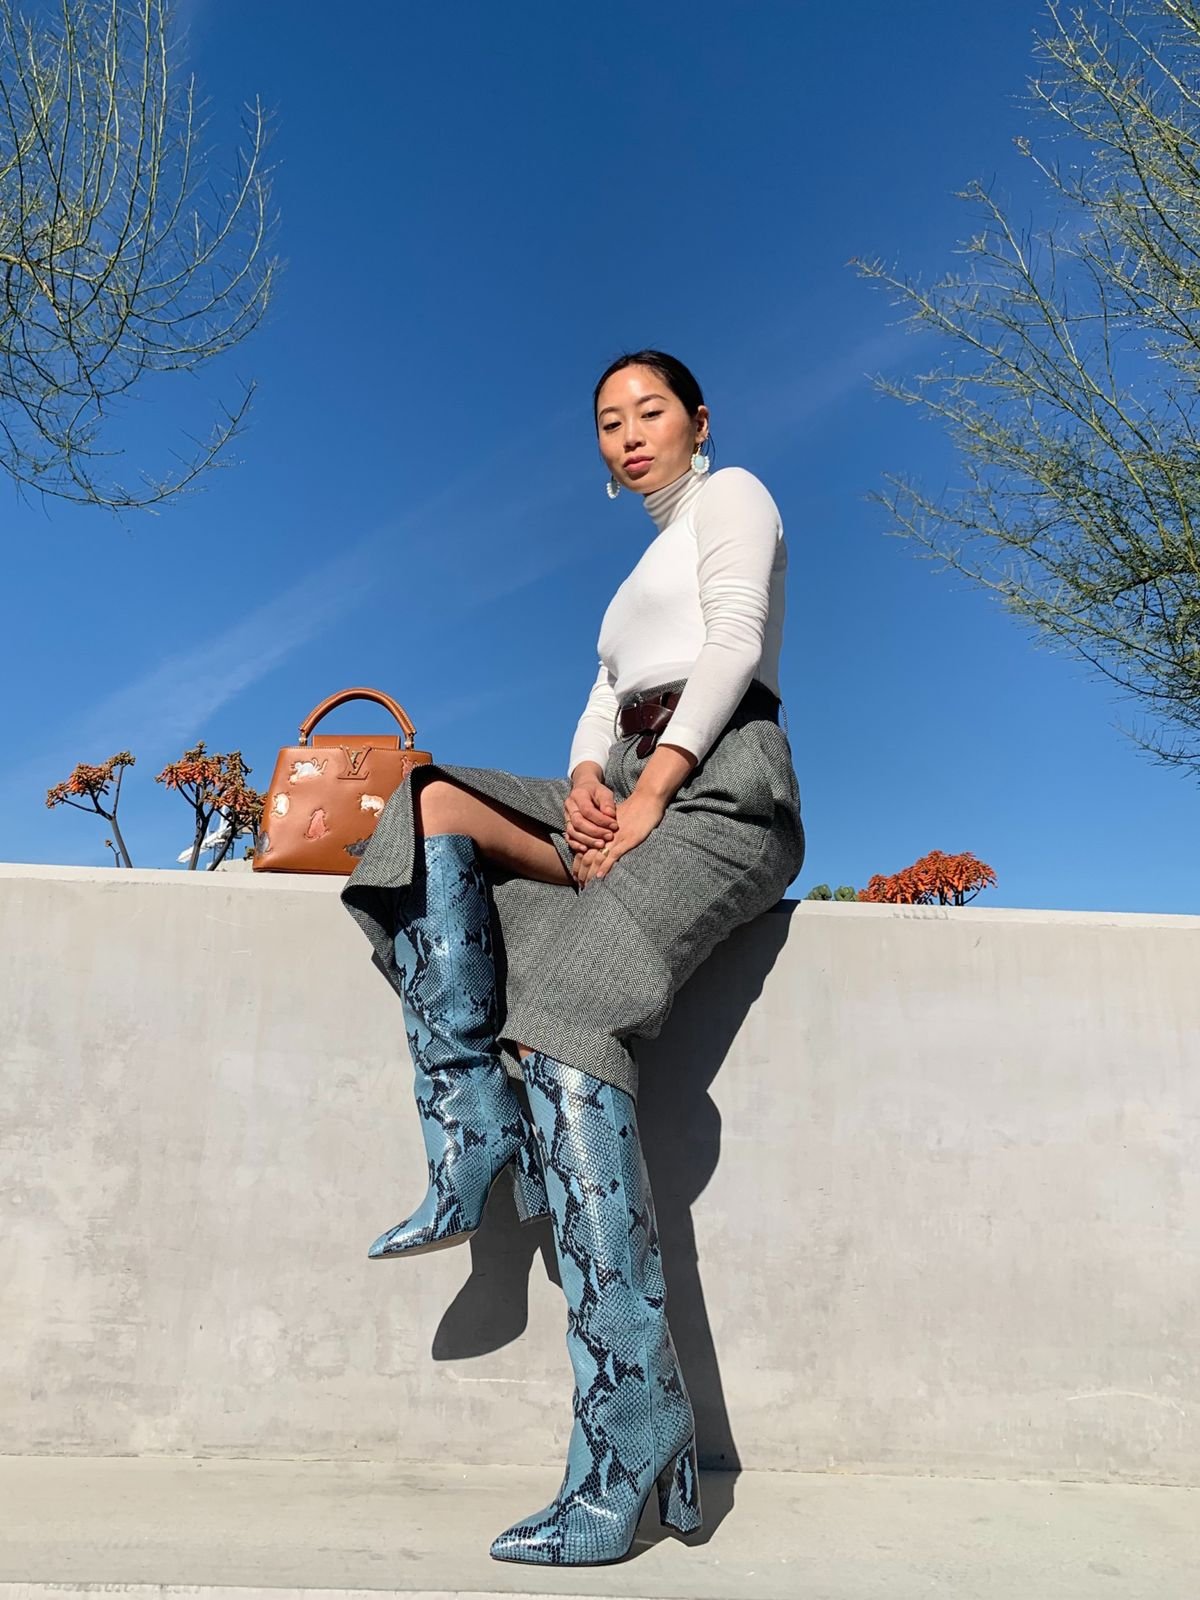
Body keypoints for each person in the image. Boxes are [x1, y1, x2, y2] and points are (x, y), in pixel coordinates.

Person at [340, 349, 806, 1567]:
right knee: (431, 800)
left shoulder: (734, 497)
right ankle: (472, 1123)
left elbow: (736, 643)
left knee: (565, 1011)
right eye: (609, 421)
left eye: (650, 411)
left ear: (699, 421)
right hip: (633, 798)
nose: (629, 433)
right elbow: (601, 707)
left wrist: (650, 794)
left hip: (723, 795)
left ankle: (633, 1414)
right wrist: (593, 785)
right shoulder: (624, 588)